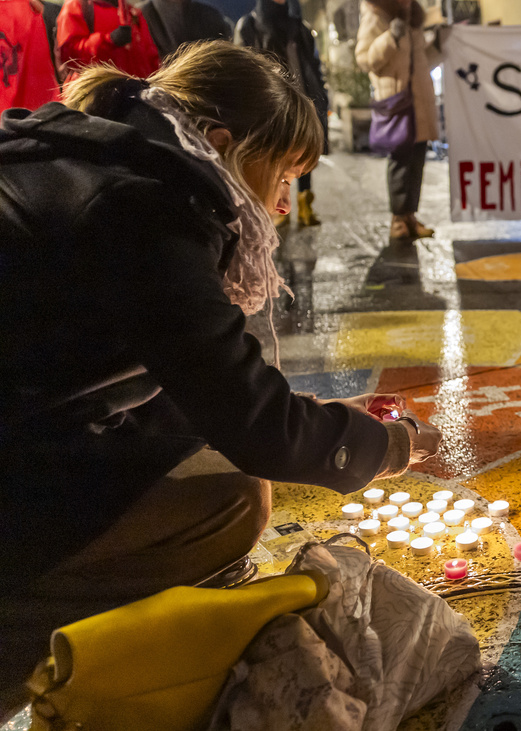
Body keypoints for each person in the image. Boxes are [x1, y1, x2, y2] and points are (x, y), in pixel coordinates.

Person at [0, 40, 441, 713]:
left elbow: (205, 383)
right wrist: (385, 446)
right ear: (222, 142)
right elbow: (254, 425)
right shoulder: (143, 209)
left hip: (27, 419)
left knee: (195, 448)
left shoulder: (90, 150)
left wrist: (309, 413)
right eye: (283, 174)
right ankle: (32, 650)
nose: (285, 203)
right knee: (234, 501)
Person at [235, 0, 329, 227]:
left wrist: (320, 95)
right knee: (275, 155)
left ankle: (305, 204)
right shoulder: (250, 25)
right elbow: (245, 65)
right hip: (272, 103)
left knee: (305, 154)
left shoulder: (298, 27)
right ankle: (277, 205)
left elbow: (312, 63)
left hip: (303, 98)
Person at [356, 0, 442, 240]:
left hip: (420, 101)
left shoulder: (414, 20)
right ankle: (397, 220)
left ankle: (411, 216)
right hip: (397, 100)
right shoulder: (376, 16)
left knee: (417, 160)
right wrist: (390, 37)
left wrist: (439, 44)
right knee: (400, 162)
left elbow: (423, 60)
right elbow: (366, 59)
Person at [56, 0, 159, 83]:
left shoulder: (131, 12)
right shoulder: (77, 6)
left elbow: (151, 54)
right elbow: (70, 55)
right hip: (98, 93)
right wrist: (109, 41)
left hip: (137, 92)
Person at [0, 0, 60, 110]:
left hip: (42, 85)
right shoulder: (3, 17)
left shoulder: (49, 9)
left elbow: (62, 39)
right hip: (10, 89)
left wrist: (43, 17)